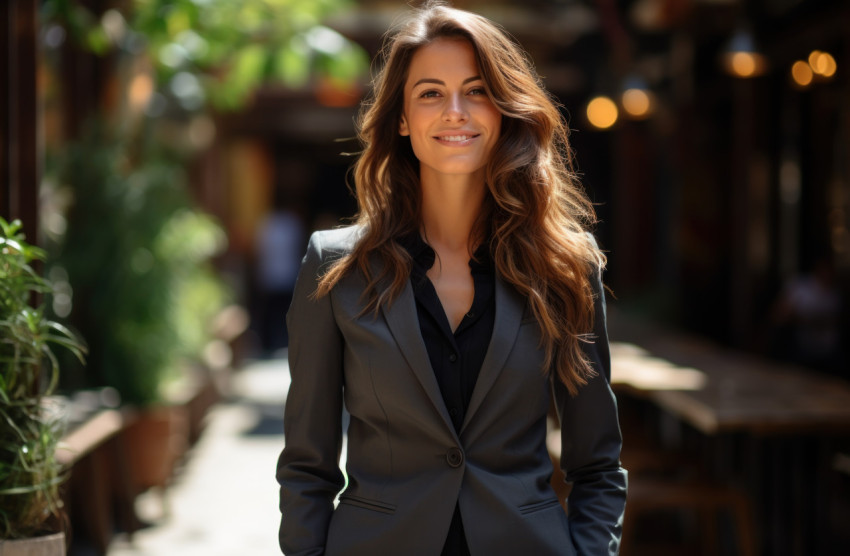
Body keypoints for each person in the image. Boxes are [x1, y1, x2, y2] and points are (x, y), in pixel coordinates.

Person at [276, 2, 627, 555]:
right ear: (401, 118)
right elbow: (306, 465)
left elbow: (598, 465)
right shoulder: (335, 265)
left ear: (504, 109)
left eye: (478, 90)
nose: (455, 111)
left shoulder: (565, 265)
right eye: (431, 93)